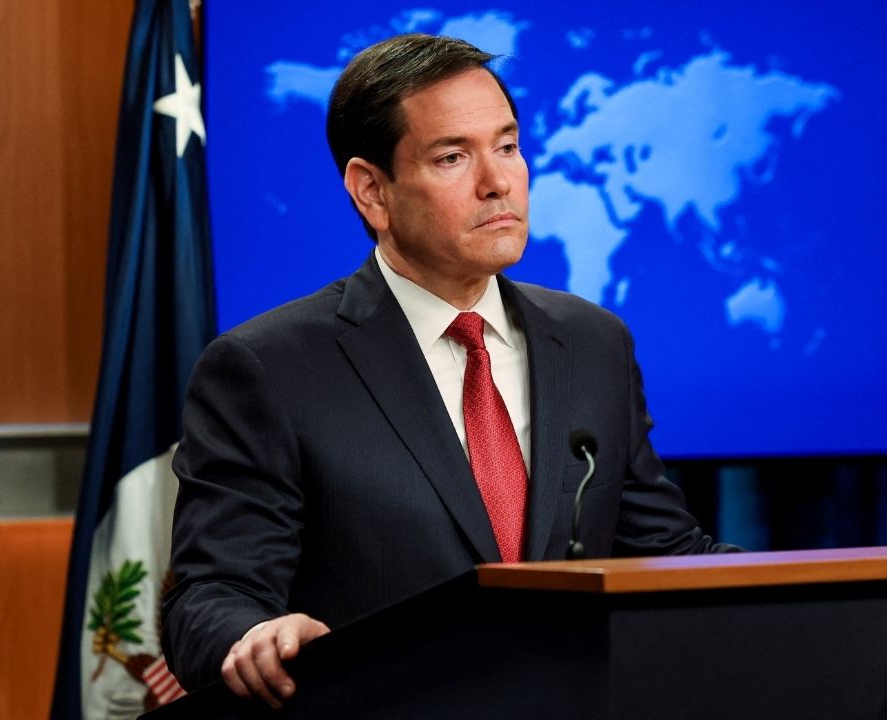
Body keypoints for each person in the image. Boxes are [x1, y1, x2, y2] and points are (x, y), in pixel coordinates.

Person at [161, 33, 738, 708]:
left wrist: (816, 587)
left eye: (508, 145)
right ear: (371, 191)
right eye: (453, 156)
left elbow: (662, 548)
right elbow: (209, 594)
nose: (498, 181)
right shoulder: (269, 368)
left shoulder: (591, 342)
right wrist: (256, 633)